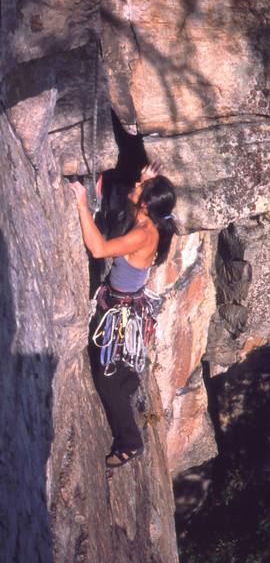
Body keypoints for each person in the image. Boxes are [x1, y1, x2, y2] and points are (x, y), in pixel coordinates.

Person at [69, 162, 177, 468]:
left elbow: (99, 249)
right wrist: (144, 182)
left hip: (119, 311)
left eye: (140, 189)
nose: (135, 186)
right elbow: (132, 205)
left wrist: (81, 205)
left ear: (144, 204)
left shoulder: (144, 232)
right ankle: (128, 384)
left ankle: (130, 442)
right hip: (127, 303)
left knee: (105, 379)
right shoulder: (147, 219)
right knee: (118, 372)